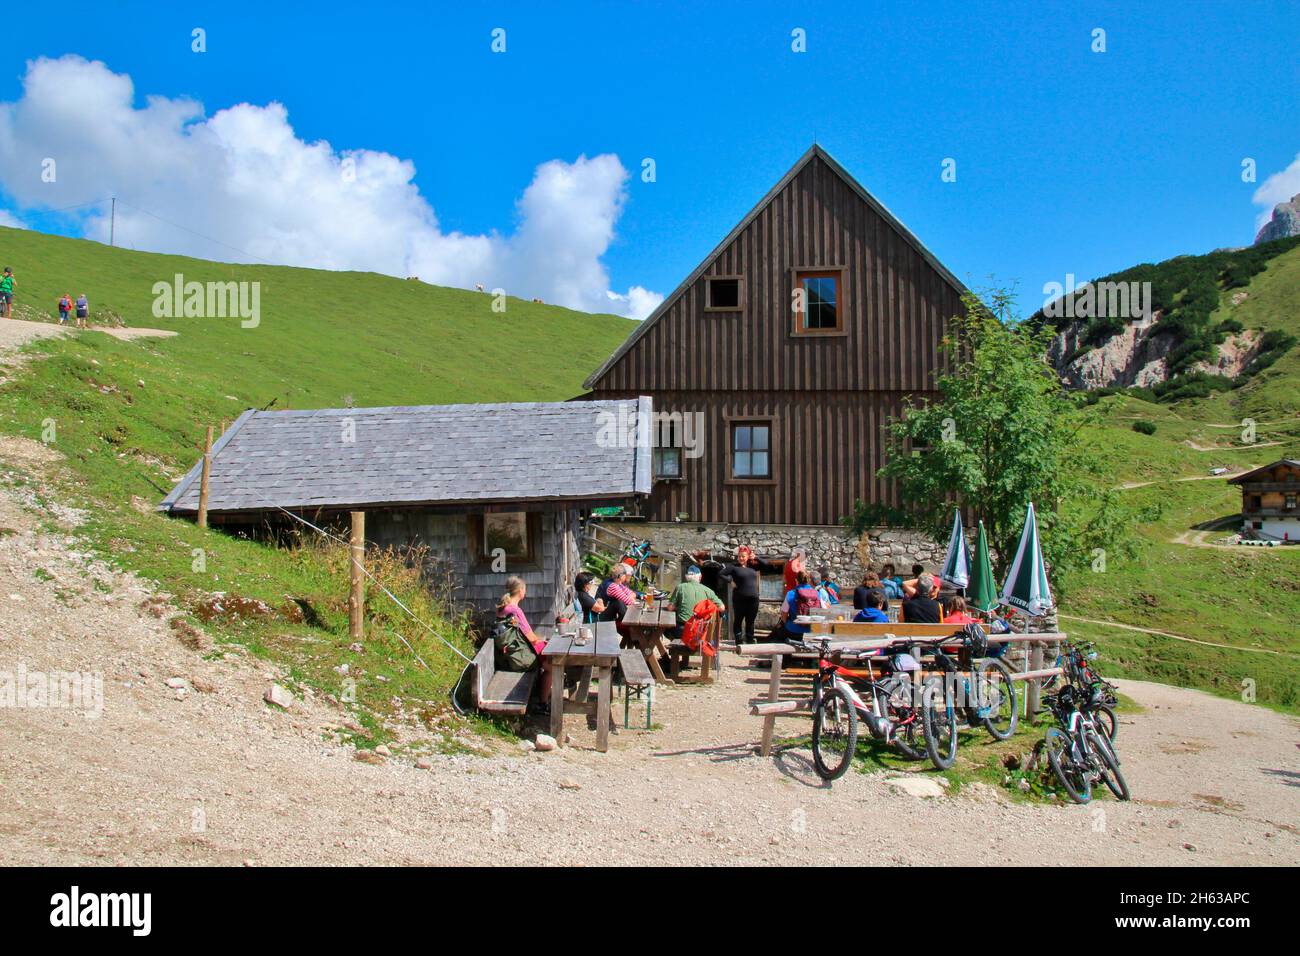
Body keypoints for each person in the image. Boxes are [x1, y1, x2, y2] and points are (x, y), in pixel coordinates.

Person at [494, 575, 551, 700]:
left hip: (510, 650)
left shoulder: (502, 608)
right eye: (525, 589)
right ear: (520, 591)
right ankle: (543, 702)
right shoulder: (515, 610)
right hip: (520, 653)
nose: (525, 592)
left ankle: (541, 694)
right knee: (552, 666)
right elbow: (531, 638)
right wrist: (543, 641)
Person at [665, 565, 725, 639]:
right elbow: (722, 608)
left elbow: (670, 608)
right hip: (701, 631)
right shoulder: (708, 590)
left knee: (665, 629)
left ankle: (675, 646)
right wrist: (707, 610)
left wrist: (678, 607)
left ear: (686, 577)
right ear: (700, 577)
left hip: (682, 630)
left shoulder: (680, 587)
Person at [718, 545, 762, 644]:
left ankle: (750, 640)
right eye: (739, 556)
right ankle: (739, 641)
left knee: (750, 621)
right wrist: (730, 581)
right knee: (738, 620)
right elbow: (721, 574)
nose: (741, 558)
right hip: (739, 599)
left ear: (747, 556)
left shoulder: (753, 566)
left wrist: (756, 557)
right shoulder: (734, 567)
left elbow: (767, 564)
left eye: (743, 556)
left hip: (753, 599)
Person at [766, 570, 821, 643]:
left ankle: (786, 653)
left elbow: (784, 615)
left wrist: (786, 623)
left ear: (796, 580)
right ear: (809, 580)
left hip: (793, 629)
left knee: (777, 635)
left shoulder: (791, 594)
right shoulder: (817, 594)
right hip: (812, 629)